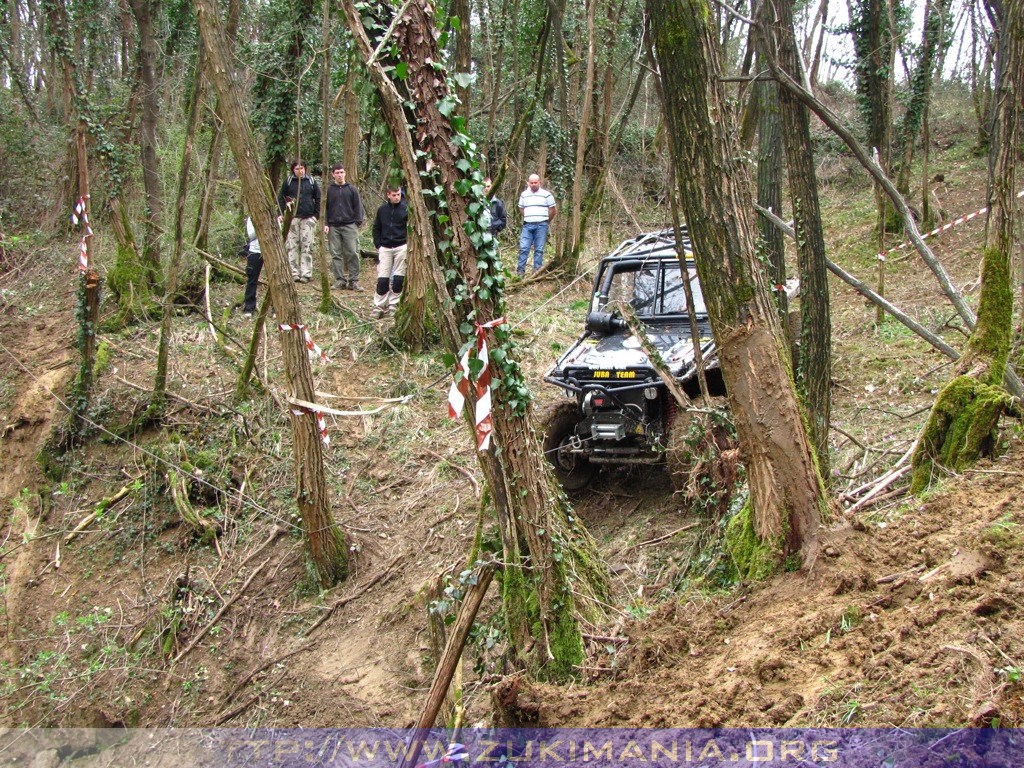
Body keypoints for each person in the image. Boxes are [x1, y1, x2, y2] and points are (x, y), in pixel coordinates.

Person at [324, 164, 366, 291]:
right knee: (335, 253)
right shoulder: (329, 190)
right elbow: (324, 208)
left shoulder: (352, 189)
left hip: (349, 225)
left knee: (352, 252)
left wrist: (357, 223)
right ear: (333, 174)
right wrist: (326, 224)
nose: (340, 175)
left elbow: (358, 207)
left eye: (342, 172)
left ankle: (354, 281)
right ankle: (340, 280)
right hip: (333, 226)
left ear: (345, 173)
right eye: (337, 172)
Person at [276, 160, 320, 282]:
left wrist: (316, 215)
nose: (299, 171)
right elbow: (281, 197)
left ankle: (306, 273)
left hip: (308, 218)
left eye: (301, 168)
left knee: (307, 245)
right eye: (297, 169)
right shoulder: (288, 182)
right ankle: (293, 272)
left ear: (305, 169)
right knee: (292, 245)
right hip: (293, 218)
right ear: (293, 170)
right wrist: (280, 213)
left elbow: (318, 197)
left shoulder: (311, 181)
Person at [371, 186, 408, 318]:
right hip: (385, 247)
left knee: (398, 278)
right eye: (393, 195)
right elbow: (376, 227)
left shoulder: (406, 209)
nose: (396, 197)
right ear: (388, 195)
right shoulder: (382, 210)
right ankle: (379, 305)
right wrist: (378, 244)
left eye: (398, 194)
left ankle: (394, 304)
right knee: (383, 278)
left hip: (401, 246)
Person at [517, 173, 556, 275]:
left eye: (535, 182)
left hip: (541, 225)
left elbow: (552, 209)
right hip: (527, 225)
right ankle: (520, 272)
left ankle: (536, 272)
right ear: (528, 183)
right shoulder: (524, 195)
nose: (533, 184)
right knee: (524, 248)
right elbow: (521, 208)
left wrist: (546, 220)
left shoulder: (547, 195)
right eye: (531, 183)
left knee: (539, 249)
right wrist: (528, 216)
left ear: (539, 182)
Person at [242, 217, 262, 318]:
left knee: (274, 280)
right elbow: (251, 235)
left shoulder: (274, 215)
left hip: (271, 252)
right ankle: (249, 307)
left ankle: (275, 308)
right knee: (252, 279)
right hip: (255, 251)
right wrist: (261, 223)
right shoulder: (252, 218)